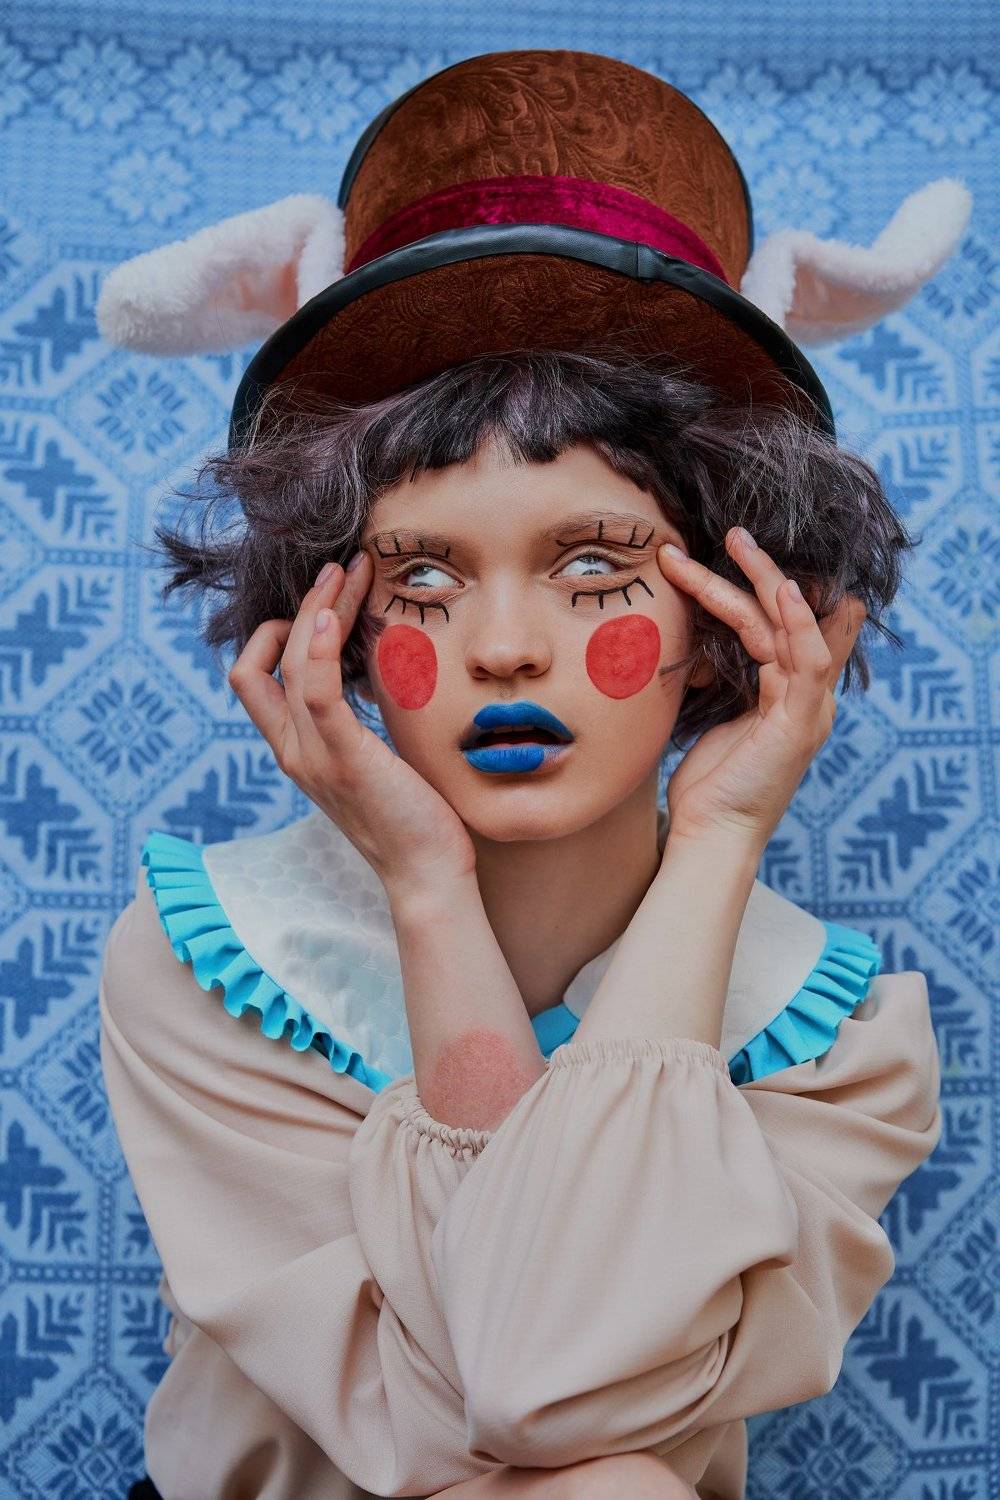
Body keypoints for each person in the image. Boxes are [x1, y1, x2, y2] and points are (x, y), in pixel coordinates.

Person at [94, 49, 967, 1500]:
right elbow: (464, 1429)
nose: (504, 648)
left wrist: (721, 837)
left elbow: (550, 1379)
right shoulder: (206, 969)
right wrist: (425, 889)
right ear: (334, 628)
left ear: (723, 623)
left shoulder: (844, 1048)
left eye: (593, 568)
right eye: (425, 579)